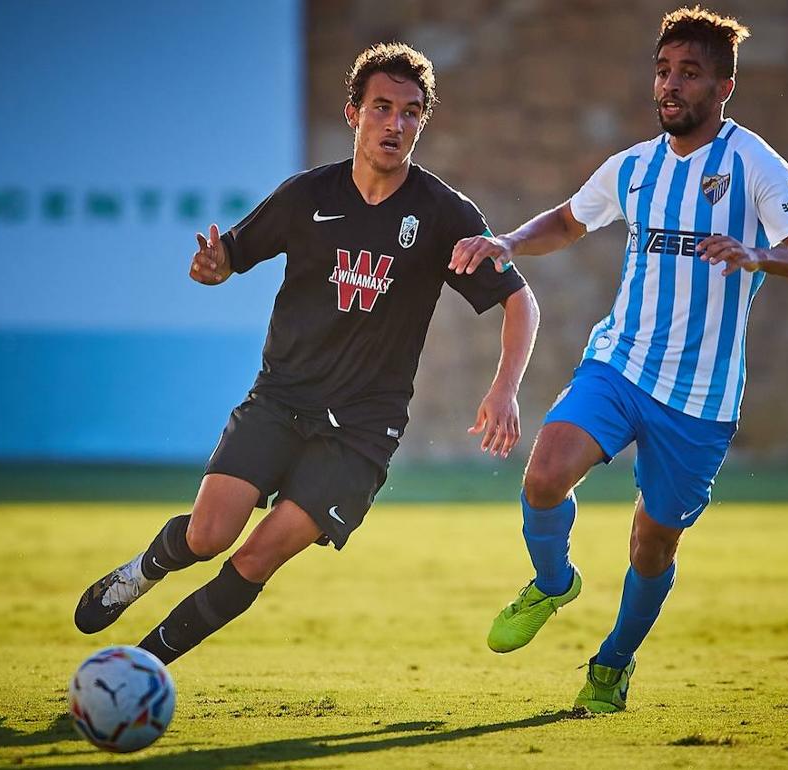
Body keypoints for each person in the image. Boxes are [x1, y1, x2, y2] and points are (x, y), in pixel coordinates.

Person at [75, 43, 539, 665]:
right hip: (281, 399)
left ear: (422, 122)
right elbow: (229, 258)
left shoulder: (443, 214)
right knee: (209, 534)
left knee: (255, 557)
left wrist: (504, 387)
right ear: (353, 113)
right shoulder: (307, 196)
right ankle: (143, 570)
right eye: (381, 108)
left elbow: (519, 301)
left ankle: (140, 668)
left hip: (363, 430)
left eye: (410, 112)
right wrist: (213, 268)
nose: (395, 125)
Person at [450, 6, 788, 713]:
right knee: (543, 475)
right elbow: (568, 221)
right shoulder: (634, 167)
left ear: (724, 86)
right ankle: (554, 580)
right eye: (663, 71)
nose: (670, 85)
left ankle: (612, 663)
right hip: (620, 365)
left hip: (701, 401)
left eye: (689, 73)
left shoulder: (753, 163)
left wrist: (758, 254)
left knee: (650, 544)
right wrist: (506, 241)